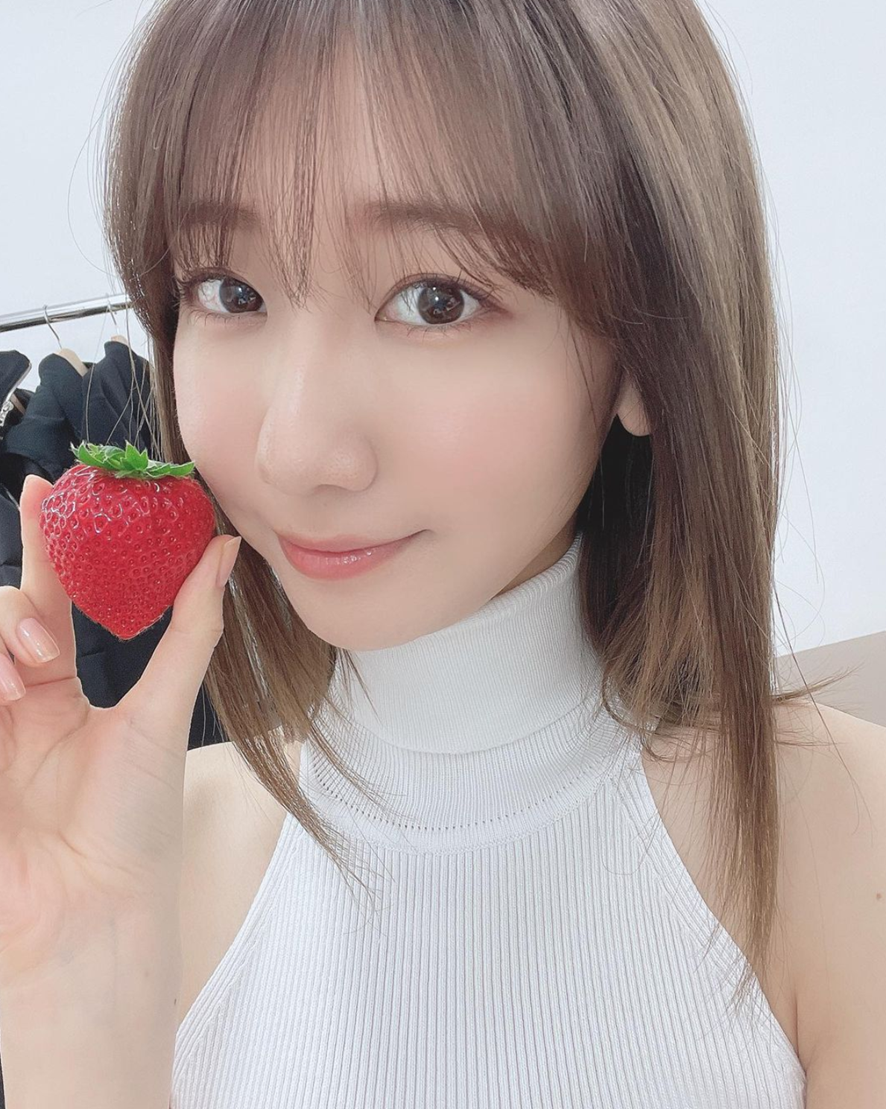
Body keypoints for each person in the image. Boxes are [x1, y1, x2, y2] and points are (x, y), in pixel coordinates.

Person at [1, 1, 884, 1106]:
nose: (295, 449)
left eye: (436, 299)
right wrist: (74, 1014)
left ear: (646, 352)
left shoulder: (845, 840)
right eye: (232, 292)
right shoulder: (136, 855)